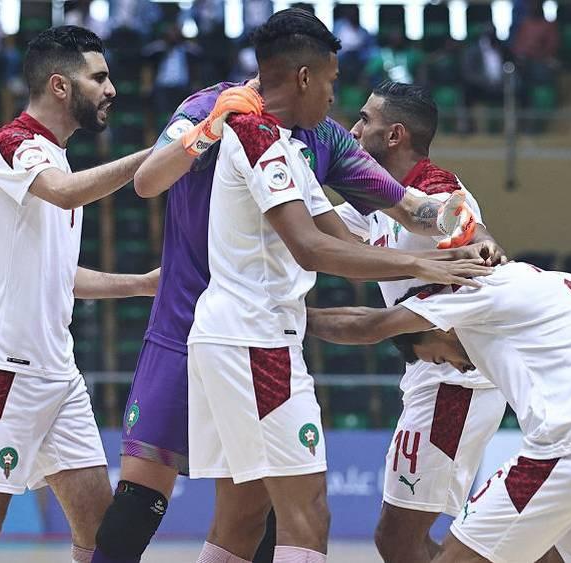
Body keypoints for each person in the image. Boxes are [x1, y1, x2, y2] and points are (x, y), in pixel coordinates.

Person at [91, 8, 499, 563]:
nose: (339, 100)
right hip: (223, 325)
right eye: (333, 81)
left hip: (242, 326)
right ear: (306, 75)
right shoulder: (230, 116)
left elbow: (402, 207)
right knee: (281, 513)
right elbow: (147, 182)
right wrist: (430, 269)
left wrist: (468, 230)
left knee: (249, 512)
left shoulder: (313, 139)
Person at [0, 25, 259, 563]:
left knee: (101, 534)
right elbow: (65, 193)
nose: (111, 89)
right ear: (59, 85)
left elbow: (63, 277)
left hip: (57, 372)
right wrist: (173, 146)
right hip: (4, 367)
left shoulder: (55, 156)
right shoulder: (11, 147)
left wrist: (145, 284)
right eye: (98, 77)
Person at [306, 262, 571, 563]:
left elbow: (367, 325)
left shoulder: (469, 292)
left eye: (438, 357)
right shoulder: (566, 283)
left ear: (432, 321)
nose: (453, 366)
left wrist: (287, 315)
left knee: (454, 556)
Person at [337, 80, 508, 562]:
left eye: (364, 120)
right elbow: (314, 235)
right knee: (420, 538)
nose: (353, 129)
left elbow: (468, 231)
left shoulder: (435, 188)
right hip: (429, 374)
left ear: (394, 136)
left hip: (456, 381)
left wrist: (483, 245)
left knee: (397, 538)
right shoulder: (376, 198)